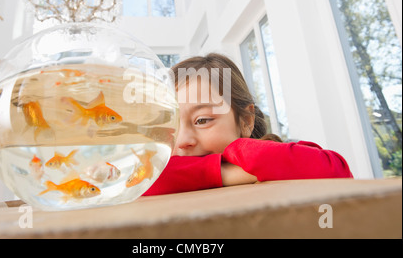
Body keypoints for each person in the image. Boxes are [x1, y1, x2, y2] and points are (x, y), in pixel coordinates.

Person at [144, 53, 353, 196]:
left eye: (202, 120)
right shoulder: (156, 165)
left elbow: (334, 169)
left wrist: (239, 150)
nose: (182, 141)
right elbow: (139, 180)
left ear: (245, 121)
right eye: (171, 125)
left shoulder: (280, 154)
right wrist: (233, 173)